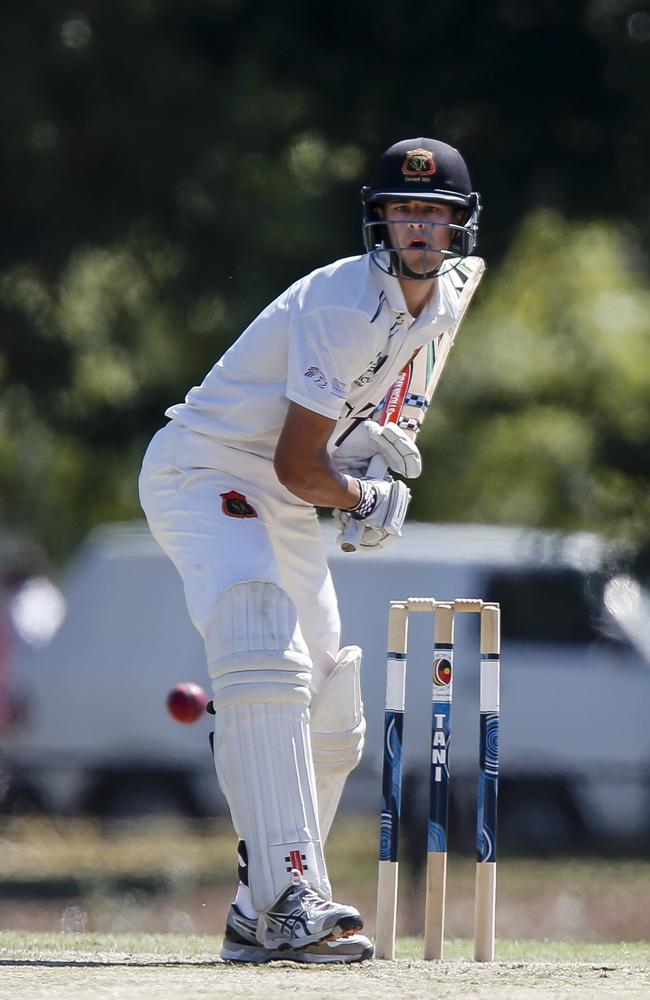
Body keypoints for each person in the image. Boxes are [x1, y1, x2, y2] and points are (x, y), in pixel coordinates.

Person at [139, 137, 481, 963]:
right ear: (379, 221)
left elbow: (323, 449)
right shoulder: (342, 304)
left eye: (434, 215)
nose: (419, 231)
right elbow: (300, 462)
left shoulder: (445, 295)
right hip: (207, 470)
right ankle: (294, 897)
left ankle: (259, 911)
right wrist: (363, 494)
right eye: (404, 213)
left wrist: (370, 449)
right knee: (263, 635)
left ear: (460, 226)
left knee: (332, 694)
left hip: (283, 493)